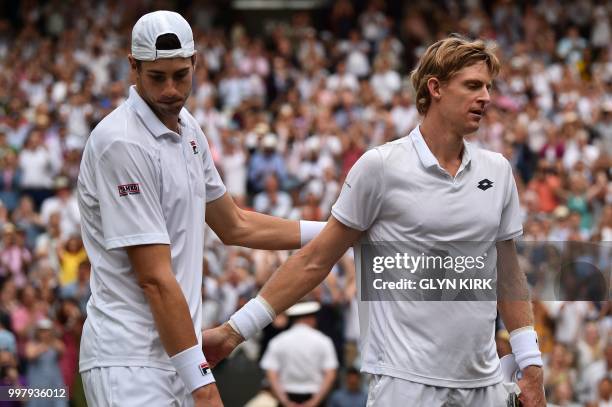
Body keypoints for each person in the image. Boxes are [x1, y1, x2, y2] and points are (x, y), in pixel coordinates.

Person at [205, 36, 547, 407]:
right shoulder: (380, 167)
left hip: (486, 386)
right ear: (435, 88)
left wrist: (531, 363)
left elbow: (509, 273)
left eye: (488, 87)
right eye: (472, 85)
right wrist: (234, 331)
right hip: (404, 385)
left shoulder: (497, 170)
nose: (486, 97)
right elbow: (316, 259)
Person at [77, 10, 324, 407]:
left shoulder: (188, 127)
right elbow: (155, 279)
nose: (171, 90)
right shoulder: (120, 142)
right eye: (157, 77)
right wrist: (204, 386)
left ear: (196, 63)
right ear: (133, 68)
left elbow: (236, 224)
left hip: (177, 356)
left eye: (181, 75)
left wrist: (333, 231)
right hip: (129, 364)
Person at [260, 301, 338, 407]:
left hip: (286, 398)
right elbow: (330, 374)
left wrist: (285, 402)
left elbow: (271, 373)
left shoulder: (278, 341)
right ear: (310, 319)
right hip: (315, 399)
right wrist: (314, 402)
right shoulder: (324, 341)